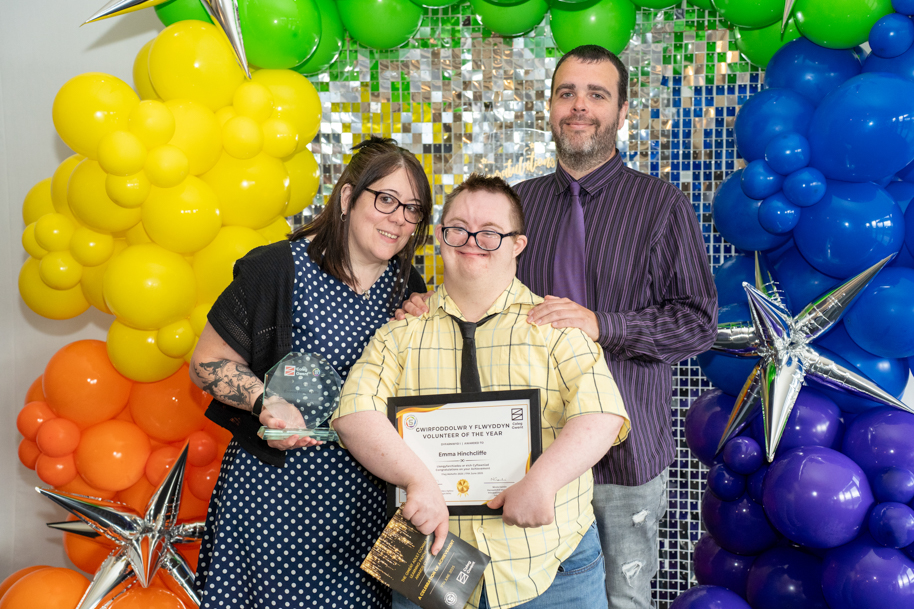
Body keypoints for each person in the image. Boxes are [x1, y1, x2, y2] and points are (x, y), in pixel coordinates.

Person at [400, 46, 718, 608]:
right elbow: (476, 289)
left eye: (597, 94)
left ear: (622, 113)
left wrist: (603, 325)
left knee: (621, 598)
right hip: (519, 457)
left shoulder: (662, 206)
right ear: (549, 107)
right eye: (567, 92)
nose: (579, 106)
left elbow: (696, 325)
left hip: (626, 458)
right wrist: (431, 305)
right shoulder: (516, 206)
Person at [332, 174, 631, 609]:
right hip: (428, 556)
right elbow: (353, 415)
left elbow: (602, 415)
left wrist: (543, 481)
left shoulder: (555, 327)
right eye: (458, 229)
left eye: (491, 232)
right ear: (439, 237)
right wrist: (417, 481)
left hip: (551, 563)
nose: (472, 240)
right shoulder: (400, 332)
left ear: (517, 245)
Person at [188, 136, 433, 609]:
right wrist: (267, 401)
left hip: (368, 503)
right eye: (386, 199)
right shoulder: (277, 269)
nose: (399, 219)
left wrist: (426, 330)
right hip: (275, 502)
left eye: (413, 209)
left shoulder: (408, 285)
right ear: (347, 197)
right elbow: (206, 364)